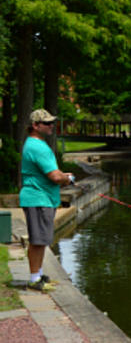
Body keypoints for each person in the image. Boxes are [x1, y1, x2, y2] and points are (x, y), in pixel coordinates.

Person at [19, 109, 75, 292]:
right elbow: (54, 177)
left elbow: (52, 173)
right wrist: (67, 179)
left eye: (52, 122)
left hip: (43, 198)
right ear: (35, 126)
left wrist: (64, 175)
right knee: (37, 240)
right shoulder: (37, 147)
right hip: (38, 199)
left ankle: (39, 274)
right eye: (47, 123)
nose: (52, 126)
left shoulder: (38, 145)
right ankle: (34, 279)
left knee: (41, 239)